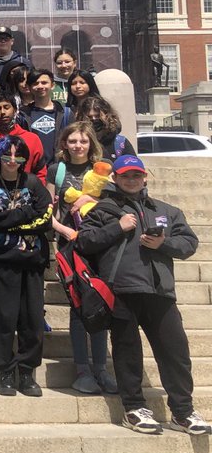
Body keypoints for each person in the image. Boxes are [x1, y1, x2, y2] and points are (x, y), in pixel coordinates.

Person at [75, 155, 209, 436]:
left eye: (136, 175)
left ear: (145, 177)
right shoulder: (102, 210)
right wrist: (118, 227)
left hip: (160, 292)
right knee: (127, 353)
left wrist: (164, 243)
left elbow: (189, 244)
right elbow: (85, 242)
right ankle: (134, 408)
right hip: (122, 291)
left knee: (176, 353)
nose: (131, 180)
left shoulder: (167, 210)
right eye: (126, 175)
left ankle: (183, 412)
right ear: (115, 178)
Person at [0, 135, 53, 397]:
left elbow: (45, 216)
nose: (12, 161)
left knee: (32, 319)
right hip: (1, 260)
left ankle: (27, 371)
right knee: (3, 318)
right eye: (7, 155)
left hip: (31, 261)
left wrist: (9, 220)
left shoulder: (32, 183)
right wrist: (24, 215)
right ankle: (6, 371)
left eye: (18, 156)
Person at [46, 121, 117, 395]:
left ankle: (101, 368)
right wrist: (65, 232)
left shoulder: (102, 169)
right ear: (65, 143)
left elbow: (114, 203)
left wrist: (89, 199)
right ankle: (82, 370)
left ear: (91, 144)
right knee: (78, 307)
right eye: (73, 141)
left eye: (83, 141)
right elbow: (47, 210)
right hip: (71, 246)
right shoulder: (58, 170)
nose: (78, 146)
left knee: (99, 306)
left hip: (100, 244)